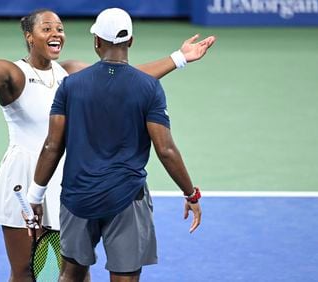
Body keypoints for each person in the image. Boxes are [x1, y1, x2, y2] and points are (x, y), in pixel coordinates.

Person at [0, 8, 213, 281]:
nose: (56, 33)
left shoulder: (70, 73)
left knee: (73, 272)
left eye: (60, 28)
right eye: (47, 28)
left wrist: (179, 58)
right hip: (25, 179)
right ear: (30, 37)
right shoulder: (11, 72)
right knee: (25, 271)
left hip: (65, 178)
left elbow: (125, 77)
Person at [26, 7, 203, 282]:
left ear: (96, 41)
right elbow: (166, 150)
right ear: (130, 41)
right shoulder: (149, 87)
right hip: (126, 200)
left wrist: (35, 196)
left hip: (77, 198)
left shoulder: (70, 86)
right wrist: (190, 194)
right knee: (125, 278)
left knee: (71, 274)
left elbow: (52, 146)